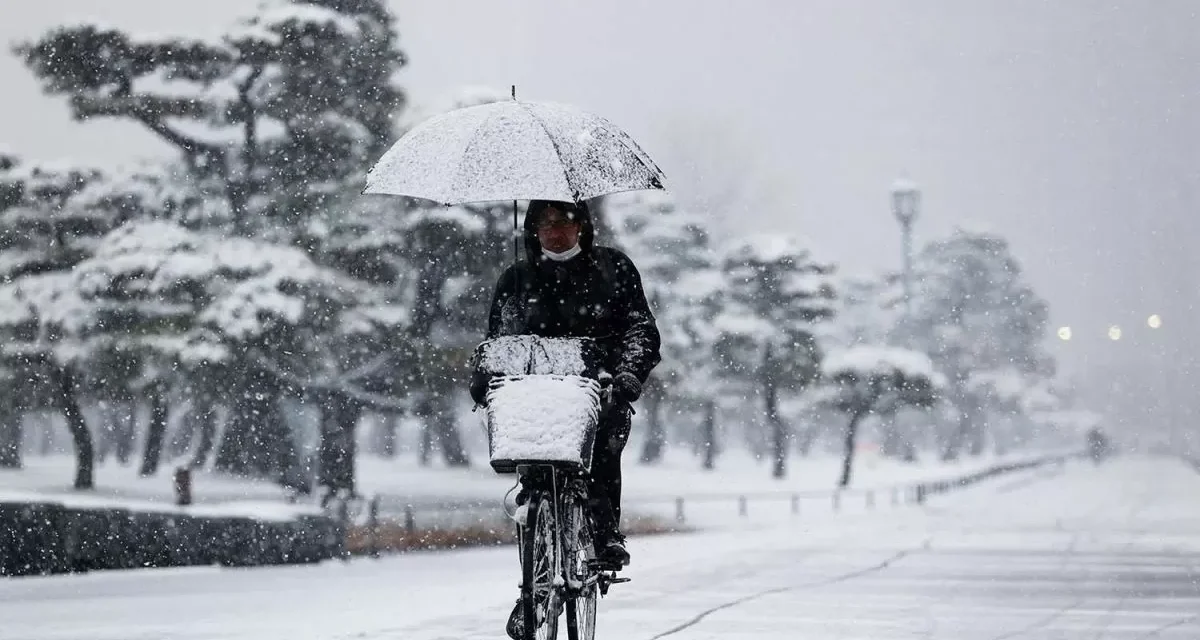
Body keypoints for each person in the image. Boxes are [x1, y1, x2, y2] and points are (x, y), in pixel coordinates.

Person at [470, 199, 660, 639]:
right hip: (535, 396)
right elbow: (500, 341)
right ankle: (534, 588)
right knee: (533, 478)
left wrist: (627, 376)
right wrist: (485, 377)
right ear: (533, 230)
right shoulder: (516, 279)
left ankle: (604, 532)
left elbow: (641, 331)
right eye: (545, 224)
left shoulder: (614, 269)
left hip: (598, 391)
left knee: (601, 455)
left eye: (564, 222)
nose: (555, 232)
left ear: (583, 226)